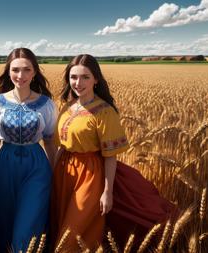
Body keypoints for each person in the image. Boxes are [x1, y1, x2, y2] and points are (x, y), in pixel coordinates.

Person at [49, 54, 176, 251]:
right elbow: (61, 147)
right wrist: (52, 174)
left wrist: (107, 192)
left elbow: (110, 156)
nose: (78, 82)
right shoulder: (67, 107)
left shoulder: (105, 112)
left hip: (90, 175)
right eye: (73, 77)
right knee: (59, 223)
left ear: (96, 79)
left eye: (85, 77)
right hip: (64, 173)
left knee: (74, 232)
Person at [0, 48, 58, 252]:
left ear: (35, 72)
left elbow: (51, 142)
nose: (21, 75)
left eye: (27, 70)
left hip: (36, 166)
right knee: (5, 222)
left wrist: (55, 174)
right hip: (4, 165)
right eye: (16, 70)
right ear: (8, 72)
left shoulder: (46, 104)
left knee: (27, 227)